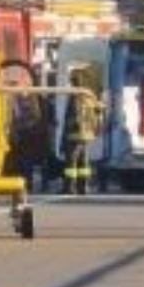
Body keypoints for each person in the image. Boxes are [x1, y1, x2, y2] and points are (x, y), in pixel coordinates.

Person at [62, 67, 100, 195]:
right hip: (87, 135)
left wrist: (67, 129)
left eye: (71, 80)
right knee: (84, 162)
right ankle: (84, 187)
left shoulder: (75, 96)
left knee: (71, 163)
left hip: (75, 134)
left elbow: (74, 115)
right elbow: (97, 113)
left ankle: (69, 187)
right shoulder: (89, 96)